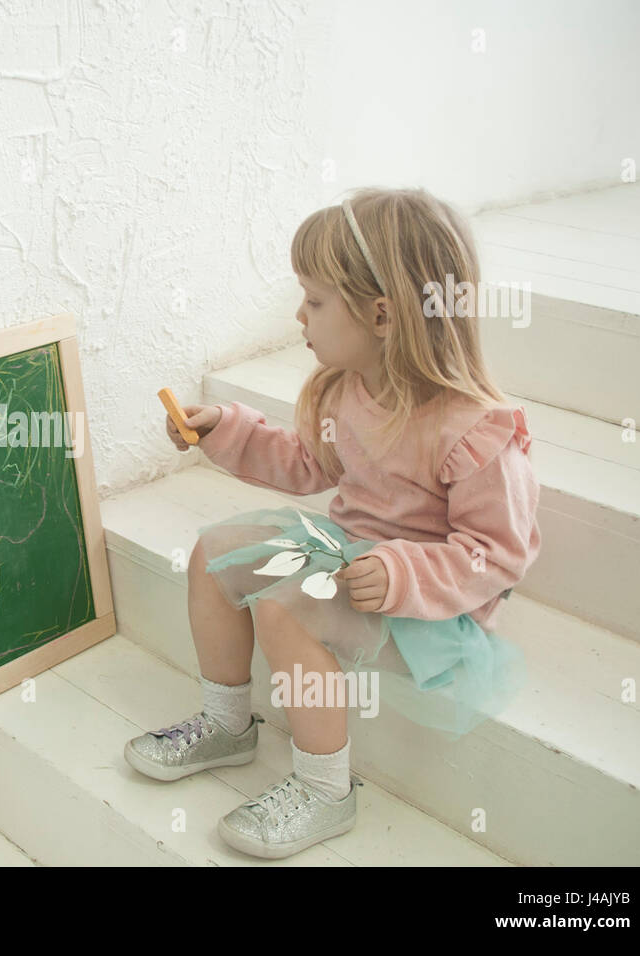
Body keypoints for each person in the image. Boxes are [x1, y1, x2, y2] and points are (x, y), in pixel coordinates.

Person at [125, 187, 541, 860]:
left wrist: (405, 572)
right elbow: (304, 464)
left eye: (315, 301)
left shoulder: (474, 431)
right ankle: (229, 724)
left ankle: (325, 789)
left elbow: (498, 554)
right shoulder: (346, 388)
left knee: (289, 608)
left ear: (382, 314)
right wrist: (224, 430)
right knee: (215, 554)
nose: (300, 315)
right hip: (348, 554)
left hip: (427, 602)